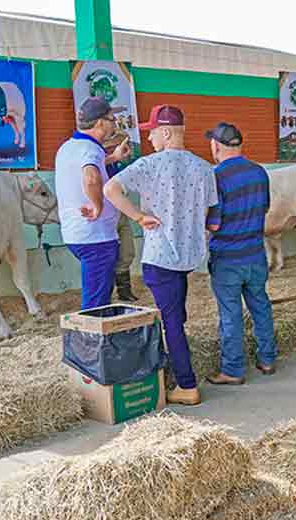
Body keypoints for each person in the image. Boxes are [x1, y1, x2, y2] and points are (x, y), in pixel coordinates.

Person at [104, 104, 218, 406]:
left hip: (159, 255)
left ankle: (186, 384)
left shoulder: (149, 165)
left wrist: (138, 216)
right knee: (176, 314)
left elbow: (110, 189)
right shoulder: (205, 168)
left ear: (166, 132)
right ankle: (174, 367)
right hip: (187, 256)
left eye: (152, 132)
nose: (150, 138)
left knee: (172, 323)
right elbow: (207, 212)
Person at [200, 122, 277, 386]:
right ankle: (267, 359)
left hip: (227, 259)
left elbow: (214, 224)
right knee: (261, 306)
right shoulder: (259, 172)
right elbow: (264, 209)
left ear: (216, 146)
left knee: (230, 314)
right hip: (255, 254)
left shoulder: (215, 177)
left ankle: (233, 369)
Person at [54, 96, 131, 310]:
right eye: (111, 118)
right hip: (96, 237)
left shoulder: (69, 147)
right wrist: (97, 206)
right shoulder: (91, 149)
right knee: (96, 302)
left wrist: (113, 157)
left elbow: (90, 166)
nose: (114, 122)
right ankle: (92, 340)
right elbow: (91, 177)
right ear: (99, 123)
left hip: (76, 234)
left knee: (96, 292)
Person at [100, 129, 139, 302]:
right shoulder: (97, 160)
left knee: (127, 251)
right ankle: (106, 292)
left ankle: (124, 290)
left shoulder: (118, 164)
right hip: (104, 214)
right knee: (106, 255)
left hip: (120, 210)